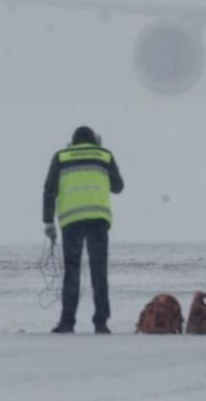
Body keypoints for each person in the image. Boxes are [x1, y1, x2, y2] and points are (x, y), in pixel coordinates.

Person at [43, 126, 124, 334]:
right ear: (93, 140)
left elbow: (49, 189)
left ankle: (67, 322)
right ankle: (101, 322)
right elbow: (118, 187)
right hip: (98, 220)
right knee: (99, 272)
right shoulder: (104, 155)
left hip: (72, 221)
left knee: (72, 272)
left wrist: (48, 222)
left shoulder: (61, 156)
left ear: (73, 141)